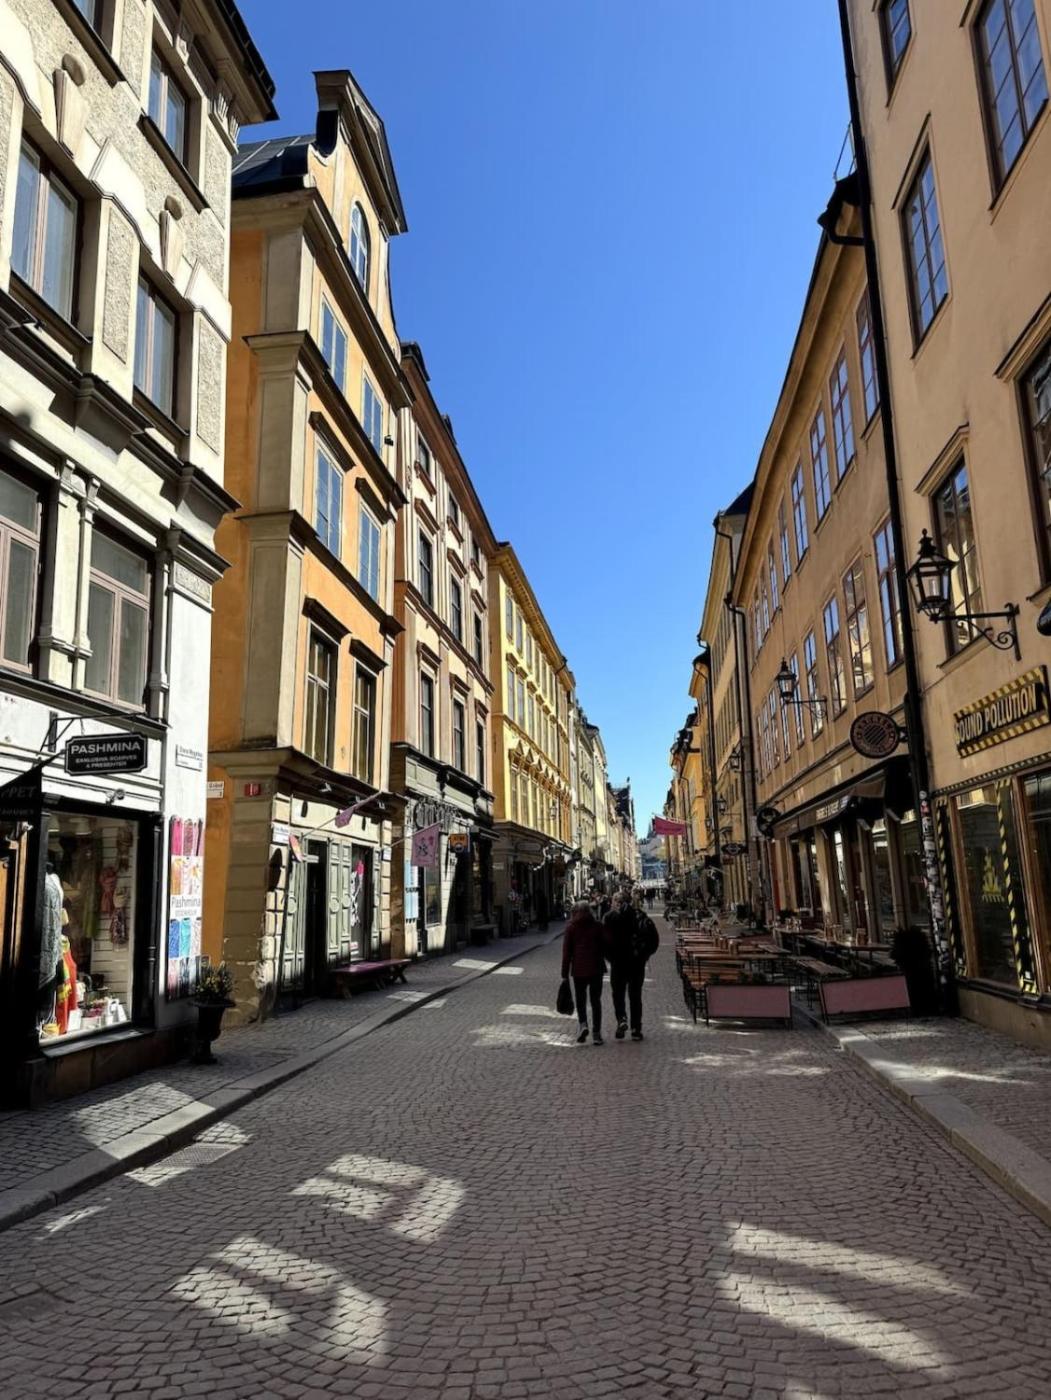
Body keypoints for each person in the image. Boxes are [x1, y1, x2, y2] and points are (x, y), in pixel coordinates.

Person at [604, 892, 659, 1040]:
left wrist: (610, 958)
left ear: (617, 903)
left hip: (618, 963)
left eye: (613, 901)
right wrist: (644, 956)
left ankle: (621, 1019)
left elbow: (604, 941)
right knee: (635, 996)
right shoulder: (640, 916)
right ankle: (636, 1028)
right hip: (636, 963)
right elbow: (654, 940)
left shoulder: (609, 918)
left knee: (618, 994)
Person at [561, 901, 608, 1045]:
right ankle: (597, 1033)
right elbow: (606, 945)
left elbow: (566, 953)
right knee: (596, 1001)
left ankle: (583, 1025)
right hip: (596, 968)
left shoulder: (571, 927)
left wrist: (564, 974)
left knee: (581, 1000)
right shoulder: (598, 926)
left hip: (579, 969)